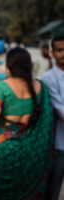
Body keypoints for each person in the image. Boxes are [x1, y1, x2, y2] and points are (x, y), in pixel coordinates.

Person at [0, 47, 54, 199]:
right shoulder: (40, 87)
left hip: (3, 151)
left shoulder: (1, 87)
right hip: (31, 153)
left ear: (8, 67)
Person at [42, 35, 64, 200]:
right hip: (59, 145)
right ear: (52, 53)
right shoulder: (48, 78)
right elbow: (59, 109)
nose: (63, 53)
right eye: (59, 50)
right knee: (52, 191)